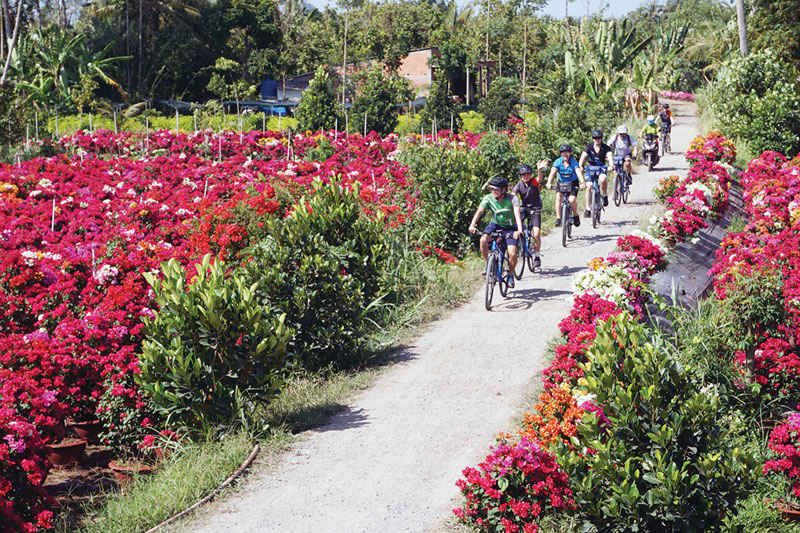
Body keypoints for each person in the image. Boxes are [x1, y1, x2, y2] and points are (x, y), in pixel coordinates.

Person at [469, 176, 524, 286]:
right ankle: (489, 265)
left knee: (512, 253)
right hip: (496, 224)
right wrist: (472, 225)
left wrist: (519, 230)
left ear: (503, 190)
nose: (493, 191)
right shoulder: (488, 198)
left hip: (510, 227)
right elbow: (479, 211)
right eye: (492, 189)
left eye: (496, 189)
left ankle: (510, 274)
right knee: (483, 240)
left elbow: (517, 215)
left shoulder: (512, 199)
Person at [512, 161, 548, 268]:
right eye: (523, 175)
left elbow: (539, 179)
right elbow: (512, 195)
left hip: (535, 209)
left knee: (536, 233)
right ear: (521, 176)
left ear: (530, 175)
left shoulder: (534, 182)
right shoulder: (519, 185)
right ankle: (518, 245)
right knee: (516, 227)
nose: (526, 176)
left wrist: (539, 170)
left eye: (527, 174)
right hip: (524, 208)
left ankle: (537, 256)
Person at [546, 144, 586, 228]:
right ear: (561, 154)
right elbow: (552, 173)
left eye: (567, 152)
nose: (566, 154)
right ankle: (558, 218)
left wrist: (582, 182)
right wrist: (549, 183)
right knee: (558, 197)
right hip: (561, 183)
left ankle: (575, 215)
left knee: (571, 200)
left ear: (570, 153)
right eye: (563, 153)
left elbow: (578, 172)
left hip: (573, 183)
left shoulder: (573, 162)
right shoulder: (558, 162)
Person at [578, 129, 613, 218]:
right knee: (589, 186)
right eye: (595, 138)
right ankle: (588, 209)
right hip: (590, 168)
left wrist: (611, 166)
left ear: (601, 138)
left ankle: (604, 195)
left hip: (601, 167)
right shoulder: (589, 147)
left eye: (599, 138)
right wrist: (580, 166)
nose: (597, 140)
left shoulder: (605, 148)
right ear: (593, 139)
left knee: (603, 179)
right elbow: (583, 157)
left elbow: (610, 157)